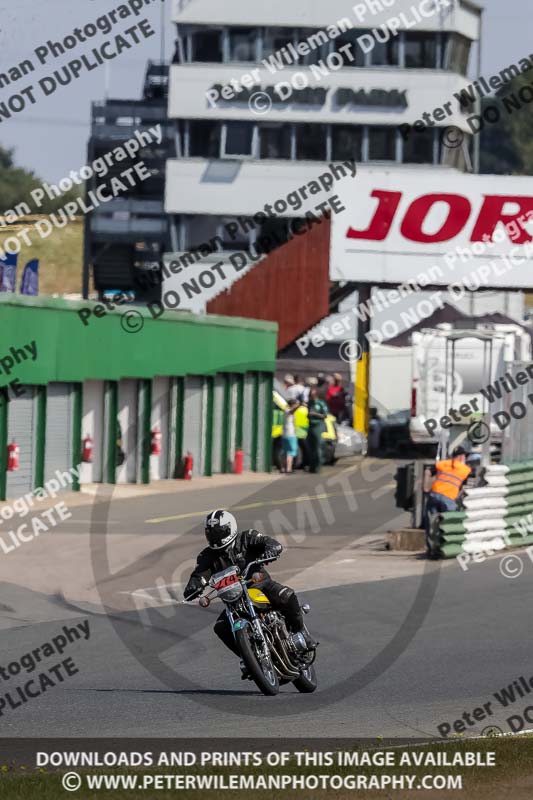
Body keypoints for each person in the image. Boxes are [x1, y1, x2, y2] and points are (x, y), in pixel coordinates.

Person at [183, 510, 316, 670]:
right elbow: (199, 573)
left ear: (230, 528)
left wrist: (272, 548)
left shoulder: (247, 537)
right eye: (211, 533)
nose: (215, 537)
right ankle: (248, 657)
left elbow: (268, 542)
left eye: (219, 532)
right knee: (220, 627)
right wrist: (193, 585)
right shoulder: (207, 555)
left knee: (286, 595)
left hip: (260, 586)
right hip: (233, 599)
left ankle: (301, 632)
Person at [425, 447, 471, 554]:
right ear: (461, 457)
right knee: (449, 523)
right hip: (448, 498)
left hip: (434, 495)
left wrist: (425, 487)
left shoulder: (442, 464)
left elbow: (428, 471)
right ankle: (446, 548)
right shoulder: (465, 469)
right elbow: (462, 487)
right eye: (464, 456)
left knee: (431, 523)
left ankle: (432, 549)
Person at [307, 387, 329, 473]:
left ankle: (318, 466)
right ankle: (311, 466)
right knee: (311, 447)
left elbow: (325, 415)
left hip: (317, 426)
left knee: (317, 447)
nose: (311, 397)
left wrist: (315, 414)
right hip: (310, 426)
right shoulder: (309, 403)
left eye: (312, 395)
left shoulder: (320, 403)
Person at [282, 398, 300, 474]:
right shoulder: (288, 411)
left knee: (285, 452)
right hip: (290, 434)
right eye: (296, 404)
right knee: (291, 452)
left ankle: (283, 468)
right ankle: (288, 469)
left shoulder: (285, 411)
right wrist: (299, 406)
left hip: (285, 434)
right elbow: (292, 411)